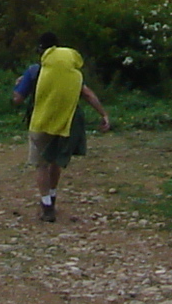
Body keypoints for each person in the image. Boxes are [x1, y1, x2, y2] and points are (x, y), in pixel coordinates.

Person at [12, 33, 110, 224]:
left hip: (40, 123)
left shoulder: (33, 71)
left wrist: (18, 85)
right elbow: (88, 95)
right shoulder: (72, 74)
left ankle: (46, 205)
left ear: (41, 51)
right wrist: (103, 115)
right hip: (63, 124)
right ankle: (53, 197)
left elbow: (17, 99)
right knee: (55, 162)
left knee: (41, 164)